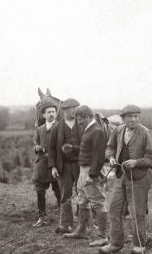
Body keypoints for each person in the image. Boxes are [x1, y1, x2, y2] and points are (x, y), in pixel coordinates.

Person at [99, 105, 152, 254]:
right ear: (123, 119)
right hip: (121, 176)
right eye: (130, 117)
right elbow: (109, 147)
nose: (133, 119)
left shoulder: (146, 133)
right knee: (114, 208)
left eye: (136, 116)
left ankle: (139, 244)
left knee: (137, 212)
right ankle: (115, 243)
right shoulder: (119, 130)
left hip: (138, 179)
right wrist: (111, 158)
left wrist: (136, 162)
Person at [63, 105, 109, 245]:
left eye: (80, 119)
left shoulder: (96, 131)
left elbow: (98, 156)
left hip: (90, 172)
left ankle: (103, 237)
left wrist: (92, 175)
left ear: (88, 117)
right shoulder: (89, 129)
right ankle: (81, 231)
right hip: (84, 171)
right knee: (82, 201)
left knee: (98, 203)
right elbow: (88, 150)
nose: (79, 122)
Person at [48, 98, 83, 234]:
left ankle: (83, 223)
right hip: (64, 167)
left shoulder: (81, 125)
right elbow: (51, 148)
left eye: (74, 108)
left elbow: (86, 146)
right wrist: (53, 167)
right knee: (65, 195)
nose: (73, 111)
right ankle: (66, 224)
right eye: (69, 109)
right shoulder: (57, 127)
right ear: (63, 111)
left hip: (80, 165)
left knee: (83, 193)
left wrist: (74, 148)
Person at [32, 100, 62, 227]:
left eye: (53, 112)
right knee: (40, 190)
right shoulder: (39, 129)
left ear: (56, 114)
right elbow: (35, 143)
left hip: (55, 165)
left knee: (59, 190)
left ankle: (64, 217)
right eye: (48, 112)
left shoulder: (61, 127)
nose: (51, 114)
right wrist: (37, 148)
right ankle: (41, 217)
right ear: (43, 115)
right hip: (41, 165)